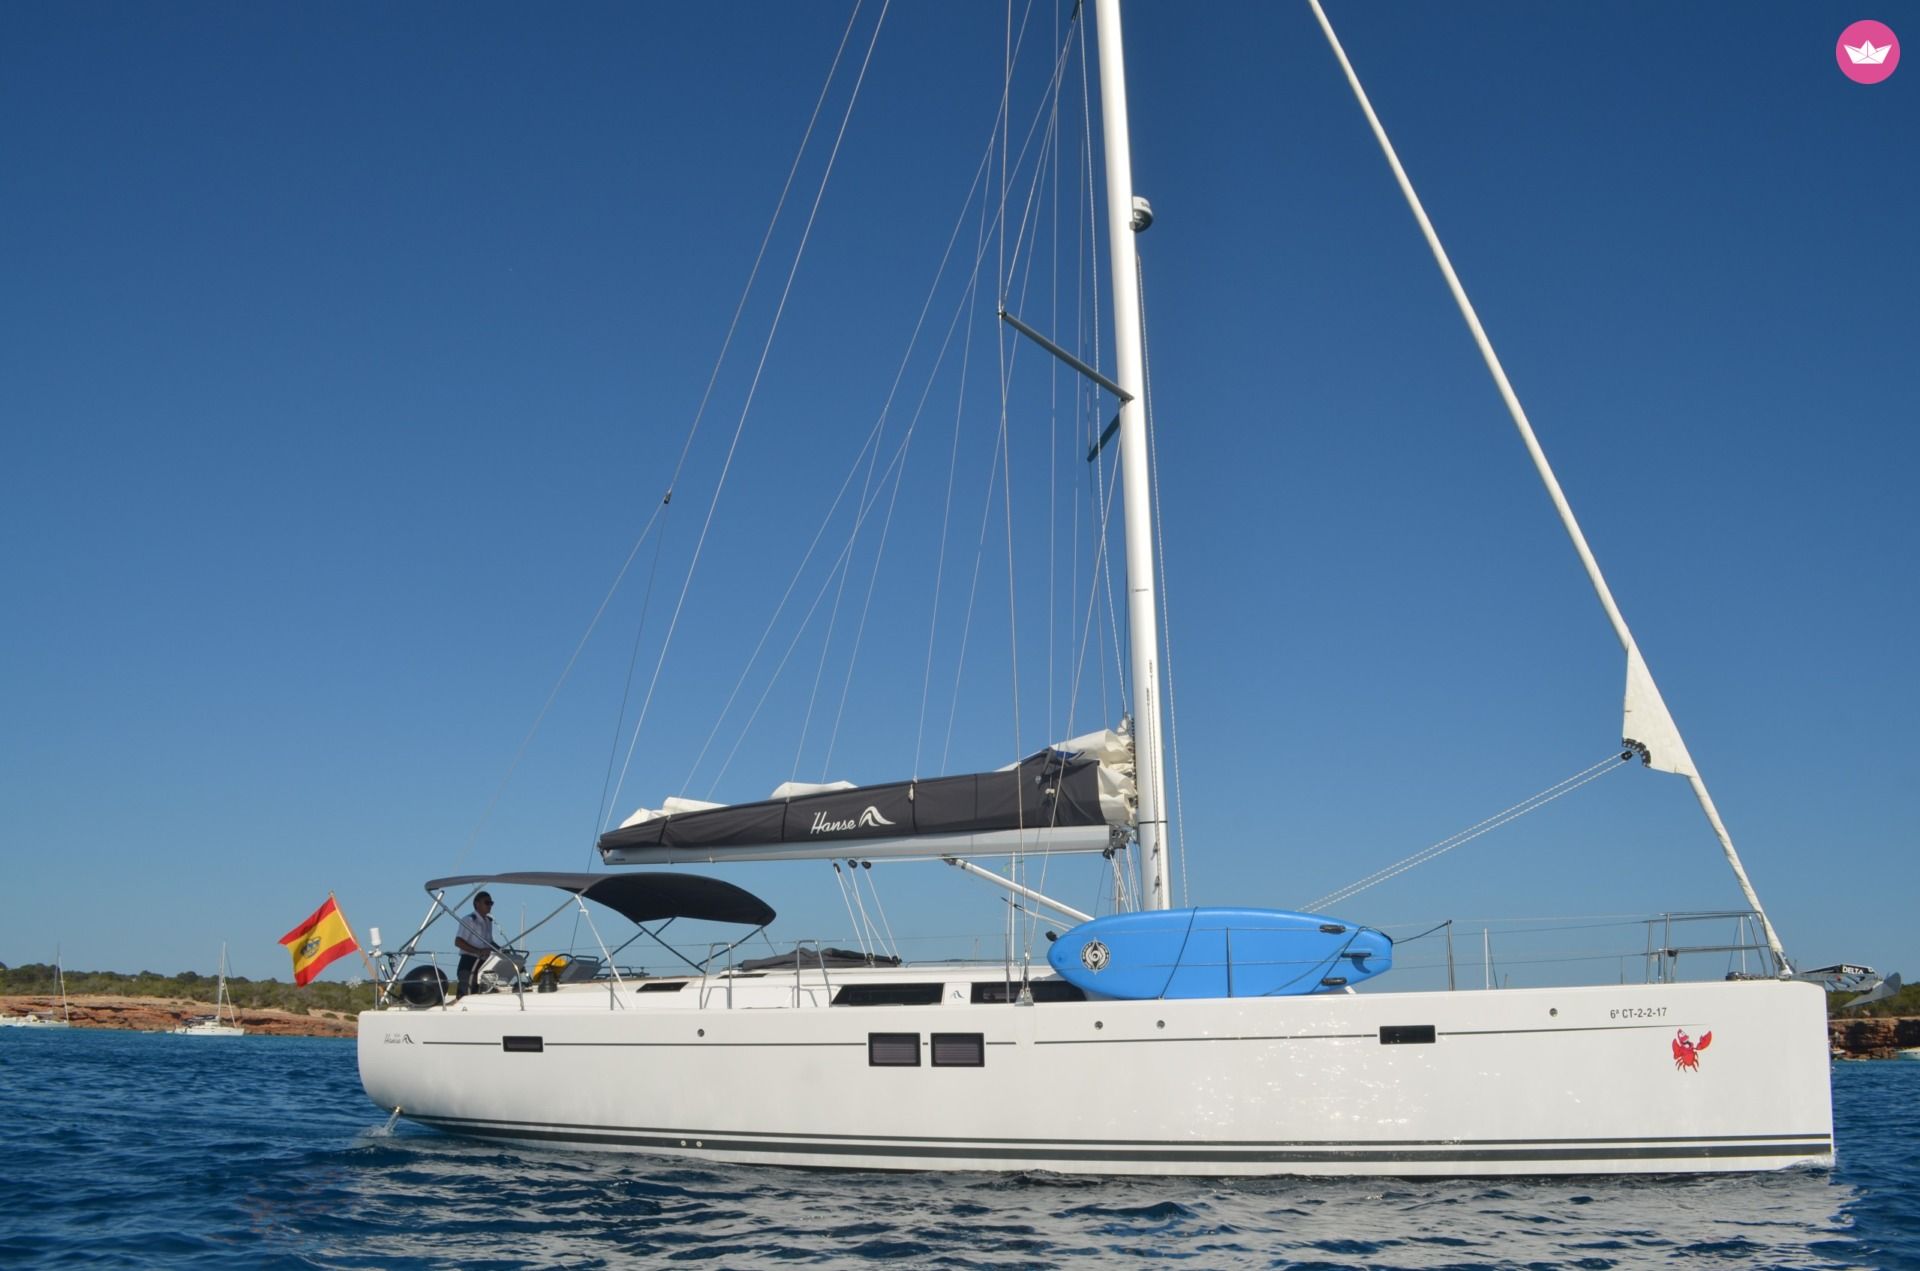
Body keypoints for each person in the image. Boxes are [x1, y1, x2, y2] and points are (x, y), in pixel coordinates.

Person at [454, 891, 497, 998]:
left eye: (491, 903)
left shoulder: (488, 921)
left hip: (482, 964)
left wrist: (502, 951)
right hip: (468, 962)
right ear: (477, 904)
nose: (490, 906)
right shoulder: (469, 920)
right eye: (487, 903)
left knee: (481, 994)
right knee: (466, 995)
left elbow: (489, 942)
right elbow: (458, 941)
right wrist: (478, 951)